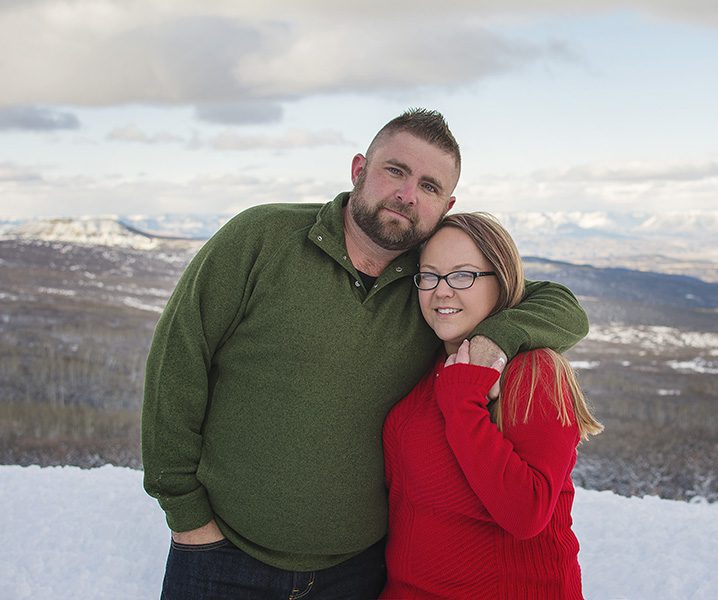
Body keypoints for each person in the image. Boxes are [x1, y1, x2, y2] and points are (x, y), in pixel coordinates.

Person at [141, 108, 590, 599]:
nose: (407, 194)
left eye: (430, 186)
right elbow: (177, 366)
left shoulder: (432, 278)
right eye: (395, 171)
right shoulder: (263, 238)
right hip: (224, 557)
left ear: (446, 204)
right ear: (359, 170)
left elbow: (561, 305)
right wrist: (187, 516)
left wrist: (496, 338)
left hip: (356, 573)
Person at [380, 213, 603, 599]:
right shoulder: (427, 364)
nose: (442, 291)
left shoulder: (533, 372)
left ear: (501, 284)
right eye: (429, 275)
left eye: (463, 275)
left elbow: (527, 512)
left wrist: (462, 398)